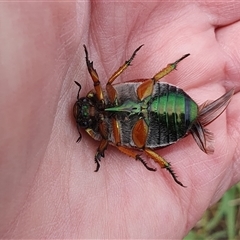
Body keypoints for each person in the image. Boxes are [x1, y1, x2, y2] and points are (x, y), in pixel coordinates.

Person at [0, 2, 239, 239]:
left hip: (160, 101)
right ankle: (165, 163)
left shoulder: (103, 100)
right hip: (153, 120)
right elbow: (115, 144)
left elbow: (105, 101)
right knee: (138, 143)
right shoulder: (103, 131)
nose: (89, 112)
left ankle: (166, 154)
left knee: (144, 108)